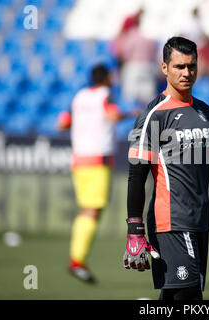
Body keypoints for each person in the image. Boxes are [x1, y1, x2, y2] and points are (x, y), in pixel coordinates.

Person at [122, 36, 209, 300]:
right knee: (190, 297)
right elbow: (137, 175)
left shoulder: (206, 113)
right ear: (164, 68)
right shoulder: (154, 115)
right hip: (170, 222)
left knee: (175, 297)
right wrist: (135, 229)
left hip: (200, 221)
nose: (186, 73)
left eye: (191, 66)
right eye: (179, 66)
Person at [57, 64, 135, 284]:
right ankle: (77, 261)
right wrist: (132, 113)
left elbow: (62, 123)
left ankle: (77, 259)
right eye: (112, 76)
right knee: (91, 211)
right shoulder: (106, 95)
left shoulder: (79, 97)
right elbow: (112, 115)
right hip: (97, 160)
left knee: (88, 209)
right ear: (106, 78)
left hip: (78, 159)